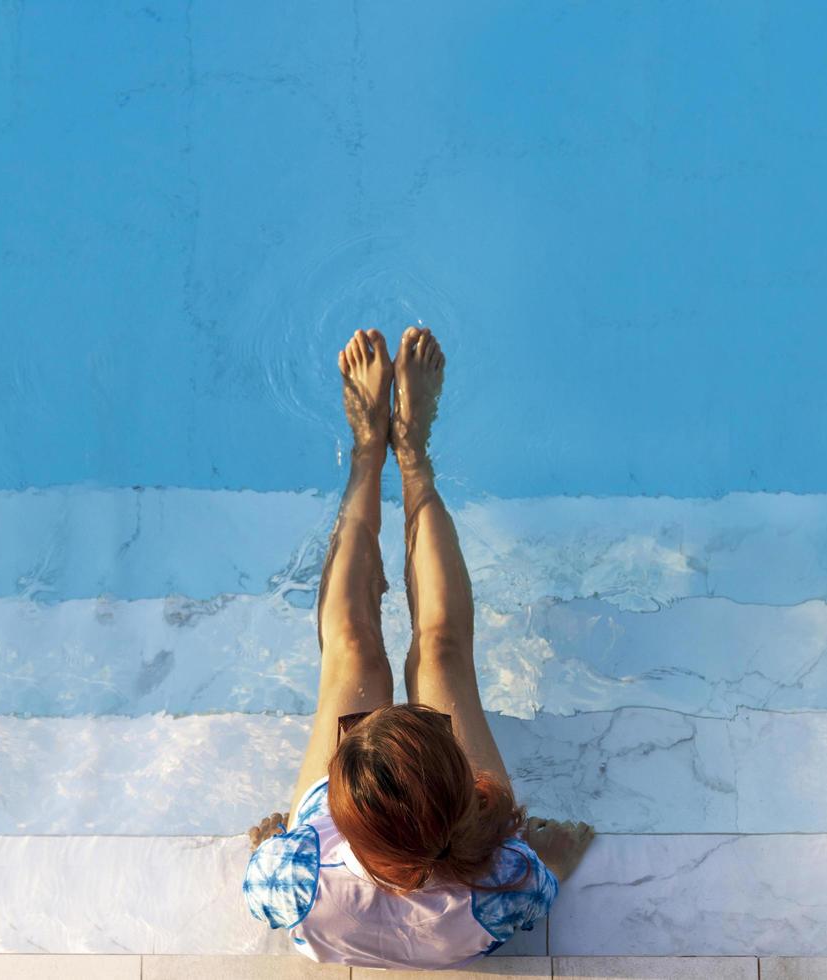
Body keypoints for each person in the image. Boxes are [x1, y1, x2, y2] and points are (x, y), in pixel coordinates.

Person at [241, 327, 595, 969]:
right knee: (440, 656)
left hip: (355, 850)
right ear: (468, 789)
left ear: (345, 816)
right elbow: (543, 881)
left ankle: (367, 453)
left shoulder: (293, 878)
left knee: (352, 651)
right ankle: (413, 458)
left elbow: (263, 883)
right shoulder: (503, 879)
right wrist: (553, 854)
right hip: (436, 830)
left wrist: (279, 843)